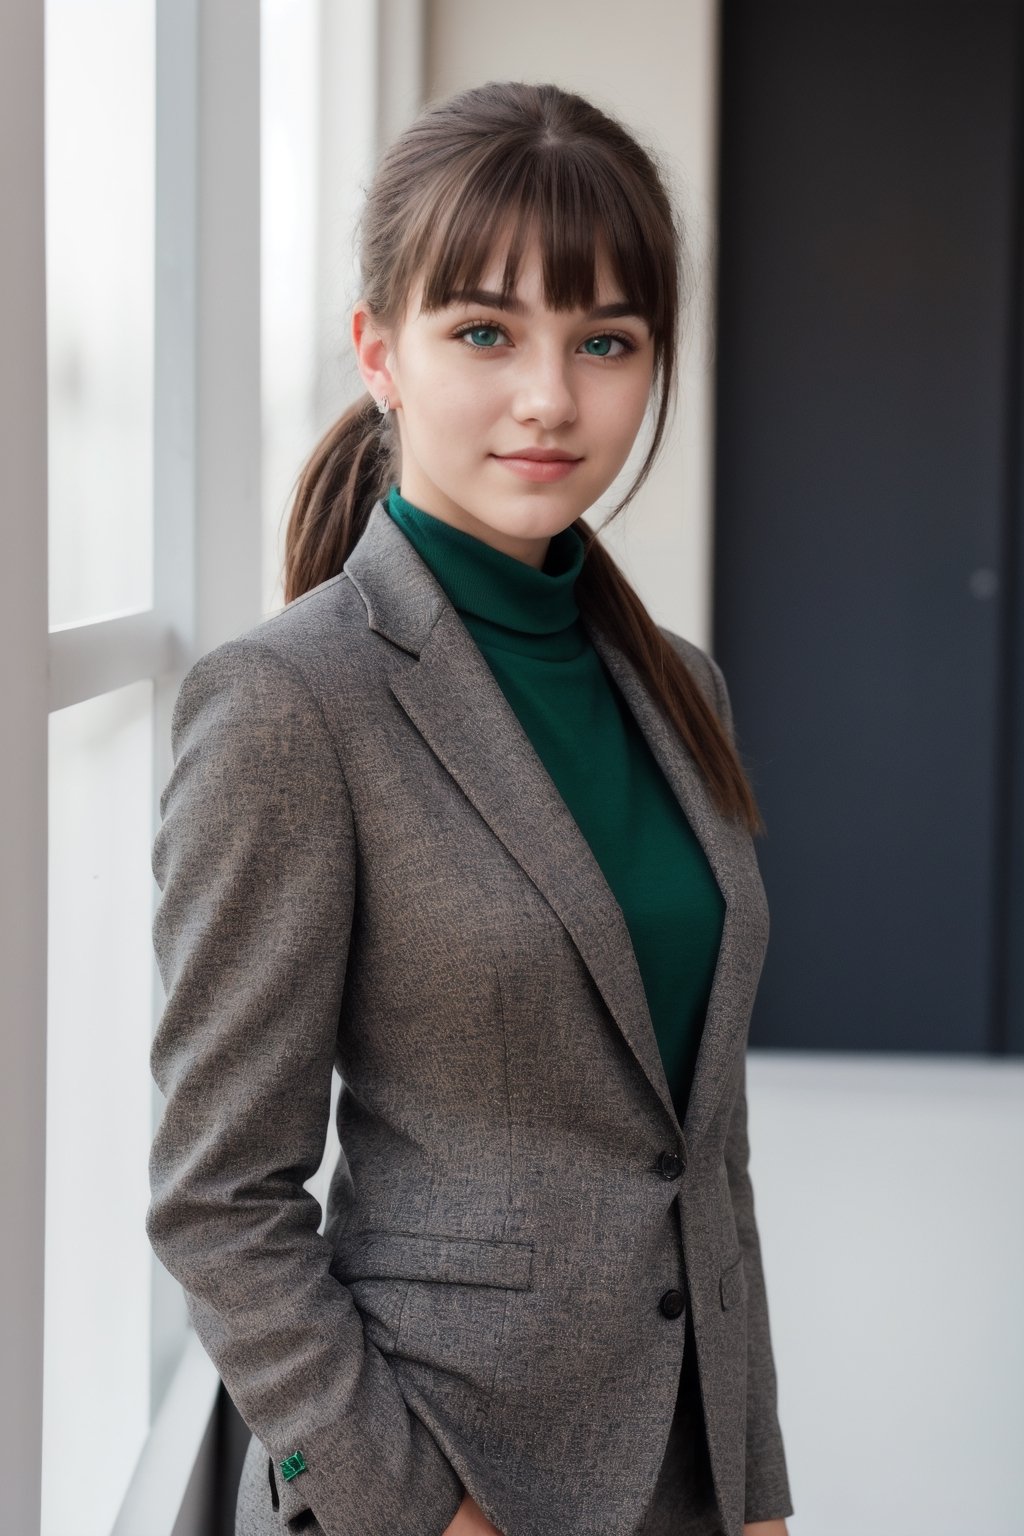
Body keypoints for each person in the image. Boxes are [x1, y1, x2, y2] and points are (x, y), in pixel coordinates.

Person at [146, 79, 794, 1536]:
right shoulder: (289, 701)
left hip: (679, 1476)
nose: (551, 398)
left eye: (606, 341)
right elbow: (218, 1198)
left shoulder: (678, 687)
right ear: (381, 349)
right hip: (435, 1473)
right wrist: (418, 1511)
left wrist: (754, 1483)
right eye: (485, 331)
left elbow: (707, 1153)